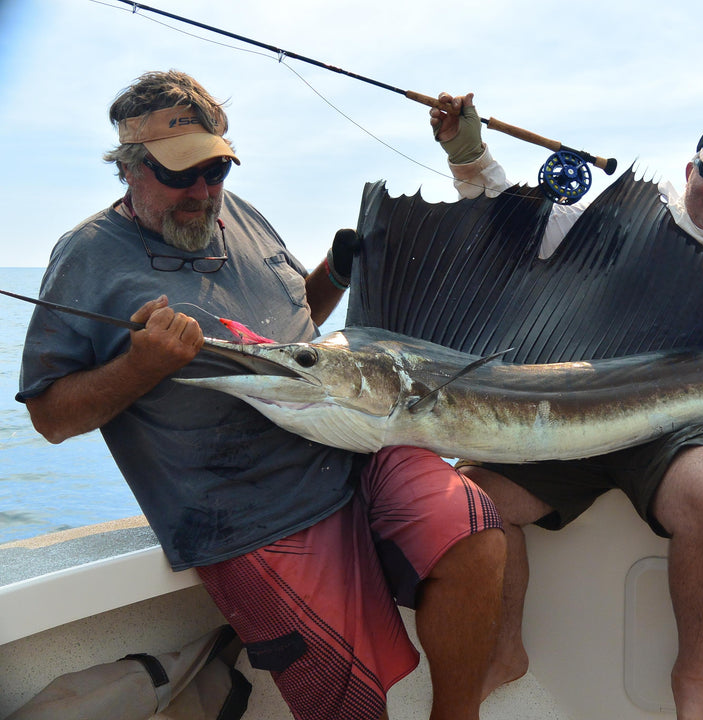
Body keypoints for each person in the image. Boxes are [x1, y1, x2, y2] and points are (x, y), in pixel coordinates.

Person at [16, 71, 505, 720]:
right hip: (247, 514)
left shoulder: (237, 212)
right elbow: (50, 417)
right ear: (130, 169)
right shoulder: (85, 257)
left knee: (476, 537)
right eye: (180, 175)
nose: (202, 192)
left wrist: (334, 273)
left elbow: (295, 323)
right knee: (352, 703)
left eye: (215, 171)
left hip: (349, 445)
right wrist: (139, 367)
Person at [429, 92, 703, 719]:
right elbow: (513, 222)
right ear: (690, 172)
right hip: (580, 419)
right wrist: (467, 153)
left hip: (686, 433)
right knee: (472, 503)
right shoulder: (623, 225)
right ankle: (505, 650)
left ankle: (692, 675)